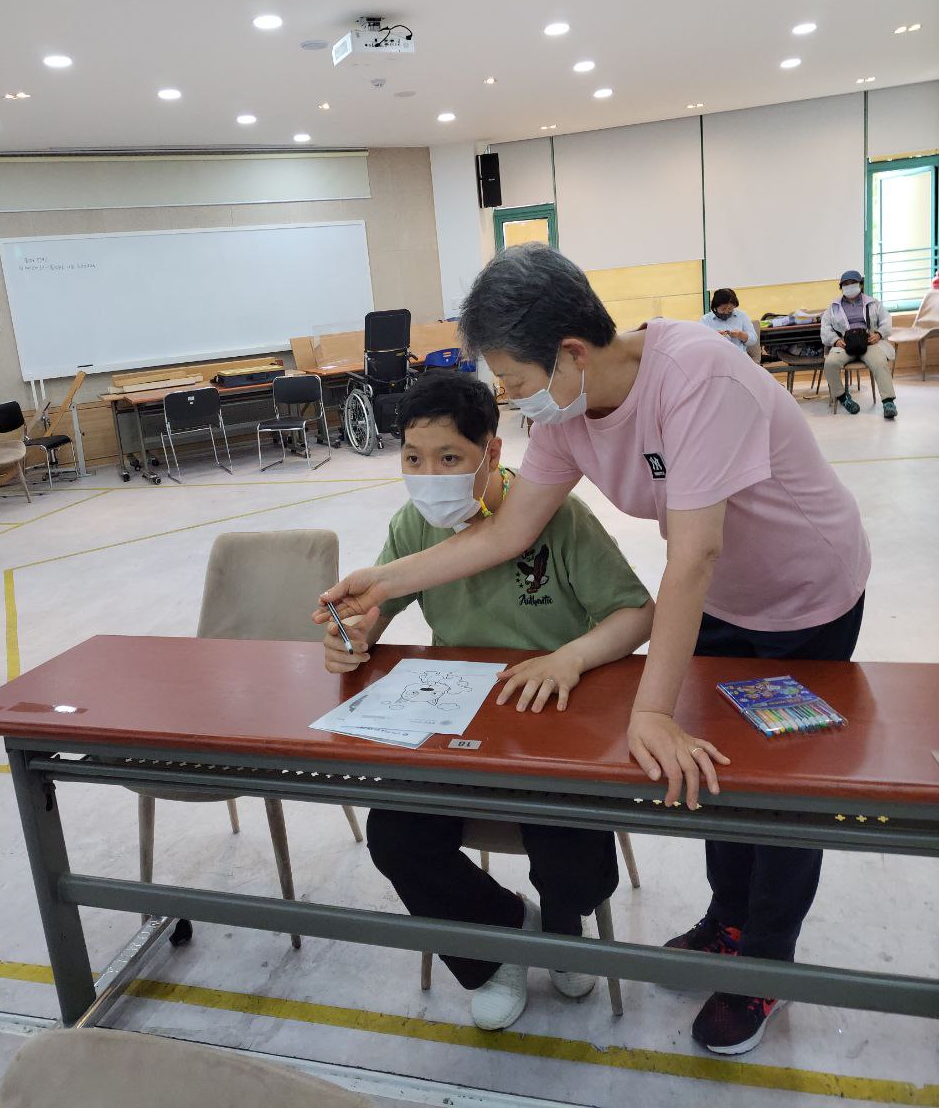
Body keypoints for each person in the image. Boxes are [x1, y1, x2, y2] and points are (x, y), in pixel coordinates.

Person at [319, 245, 871, 1057]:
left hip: (806, 594)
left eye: (512, 380)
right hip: (722, 597)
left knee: (784, 790)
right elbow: (509, 529)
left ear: (571, 352)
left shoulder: (695, 377)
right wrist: (382, 579)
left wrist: (650, 707)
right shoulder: (567, 413)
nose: (509, 398)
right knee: (717, 771)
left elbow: (693, 554)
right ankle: (727, 921)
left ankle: (765, 967)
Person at [316, 371, 654, 1032]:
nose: (428, 475)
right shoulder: (414, 526)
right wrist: (350, 639)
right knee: (396, 835)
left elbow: (636, 614)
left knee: (574, 857)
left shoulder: (556, 517)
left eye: (450, 459)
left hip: (552, 715)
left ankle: (561, 929)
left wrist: (571, 656)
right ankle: (498, 942)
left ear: (492, 453)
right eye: (413, 458)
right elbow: (374, 615)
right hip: (455, 717)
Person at [821, 270, 897, 418]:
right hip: (845, 344)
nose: (849, 286)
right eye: (846, 284)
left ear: (861, 285)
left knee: (879, 362)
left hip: (869, 342)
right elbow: (825, 327)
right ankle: (843, 397)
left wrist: (879, 334)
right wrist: (835, 340)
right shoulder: (834, 307)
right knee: (830, 364)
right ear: (841, 287)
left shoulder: (873, 303)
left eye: (853, 283)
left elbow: (886, 320)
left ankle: (888, 402)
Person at [700, 289, 760, 361]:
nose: (726, 312)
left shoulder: (742, 316)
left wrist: (741, 335)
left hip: (739, 358)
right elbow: (701, 343)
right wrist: (714, 337)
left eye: (730, 309)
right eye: (723, 309)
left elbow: (753, 340)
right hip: (717, 359)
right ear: (715, 307)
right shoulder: (705, 320)